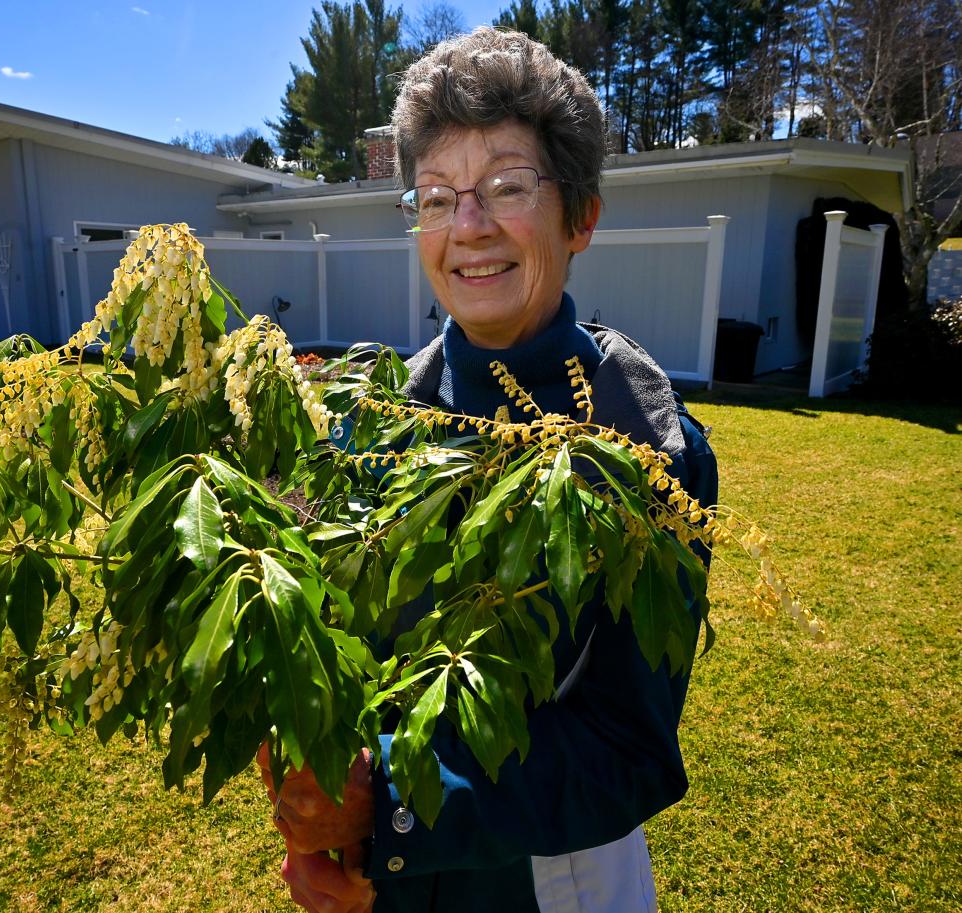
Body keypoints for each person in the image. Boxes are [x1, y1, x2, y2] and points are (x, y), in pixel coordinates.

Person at [259, 26, 718, 913]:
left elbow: (628, 747)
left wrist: (385, 808)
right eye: (436, 196)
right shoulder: (380, 416)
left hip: (551, 887)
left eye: (507, 187)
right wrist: (328, 824)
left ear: (580, 215)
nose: (467, 227)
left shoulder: (644, 445)